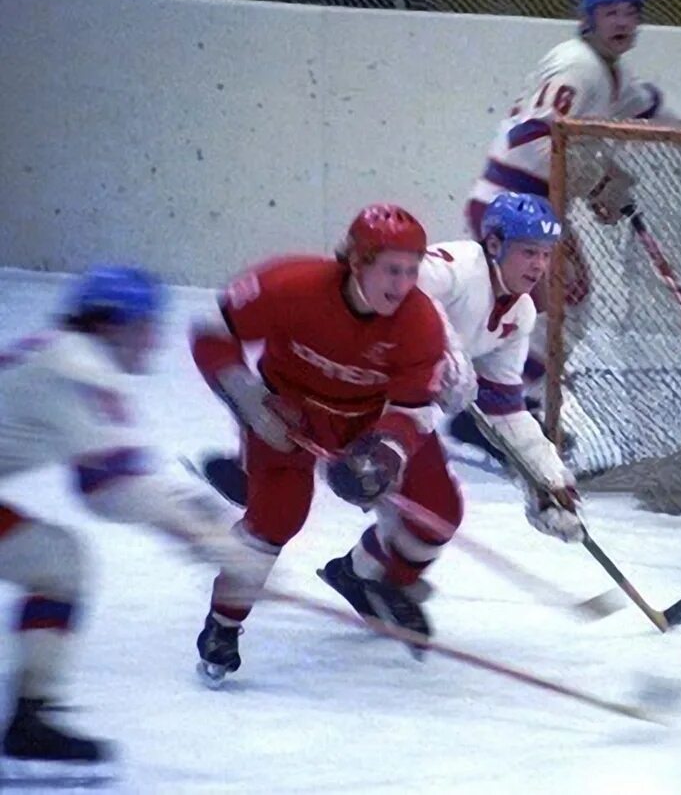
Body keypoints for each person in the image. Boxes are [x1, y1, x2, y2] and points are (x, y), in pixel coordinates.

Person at [188, 204, 474, 685]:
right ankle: (223, 624)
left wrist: (383, 454)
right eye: (390, 269)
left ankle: (373, 579)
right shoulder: (289, 284)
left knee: (439, 509)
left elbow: (411, 411)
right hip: (287, 413)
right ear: (357, 261)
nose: (402, 283)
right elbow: (212, 337)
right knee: (277, 517)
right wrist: (252, 403)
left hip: (370, 420)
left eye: (411, 270)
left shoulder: (420, 322)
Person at [0, 268, 240, 762]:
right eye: (148, 325)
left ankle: (32, 717)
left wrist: (199, 528)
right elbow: (113, 488)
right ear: (115, 323)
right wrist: (213, 543)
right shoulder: (79, 367)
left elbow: (98, 483)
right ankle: (31, 719)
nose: (154, 340)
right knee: (58, 562)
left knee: (58, 561)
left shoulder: (60, 354)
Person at [322, 193, 585, 608]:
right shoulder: (458, 266)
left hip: (404, 410)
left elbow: (504, 406)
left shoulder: (521, 316)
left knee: (439, 513)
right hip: (344, 385)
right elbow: (401, 284)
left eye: (547, 254)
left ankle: (363, 577)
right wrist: (443, 347)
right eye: (528, 252)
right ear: (495, 246)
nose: (539, 266)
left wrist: (548, 479)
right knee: (286, 504)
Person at [452, 0, 672, 457]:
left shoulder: (612, 73)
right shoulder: (577, 65)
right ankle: (493, 405)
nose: (622, 21)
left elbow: (639, 109)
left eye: (631, 11)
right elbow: (532, 138)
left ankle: (505, 404)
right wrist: (592, 186)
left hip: (534, 202)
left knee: (562, 303)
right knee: (542, 307)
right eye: (610, 12)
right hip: (512, 201)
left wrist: (603, 176)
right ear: (586, 19)